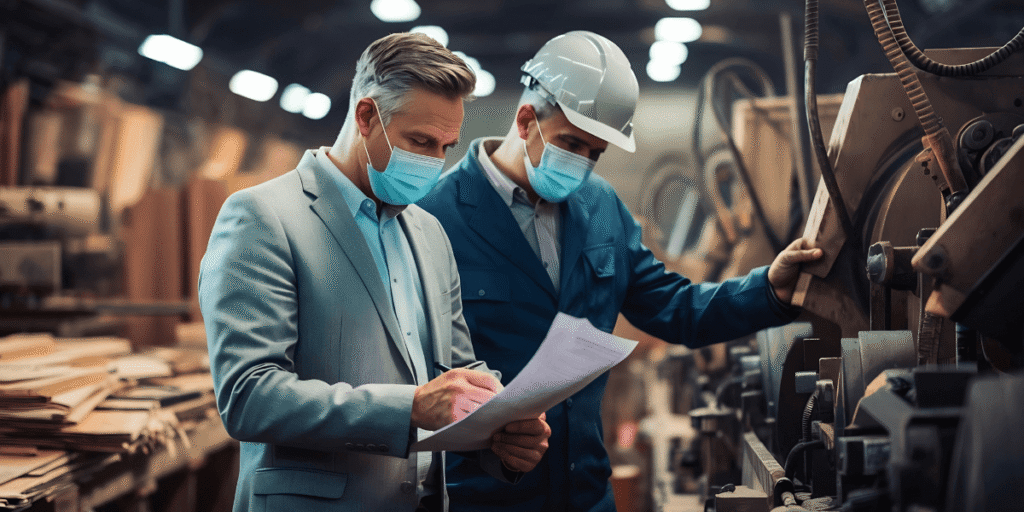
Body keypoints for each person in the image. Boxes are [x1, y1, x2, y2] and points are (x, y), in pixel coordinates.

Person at [417, 30, 823, 511]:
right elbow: (410, 368)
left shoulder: (600, 207)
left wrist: (768, 290)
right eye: (571, 143)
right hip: (481, 498)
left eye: (595, 152)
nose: (582, 163)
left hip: (586, 490)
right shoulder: (434, 216)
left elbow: (674, 308)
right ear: (526, 120)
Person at [199, 33, 550, 512]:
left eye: (445, 146)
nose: (433, 161)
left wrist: (500, 423)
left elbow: (456, 368)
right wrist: (407, 408)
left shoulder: (429, 232)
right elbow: (249, 395)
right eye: (419, 141)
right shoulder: (263, 217)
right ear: (367, 117)